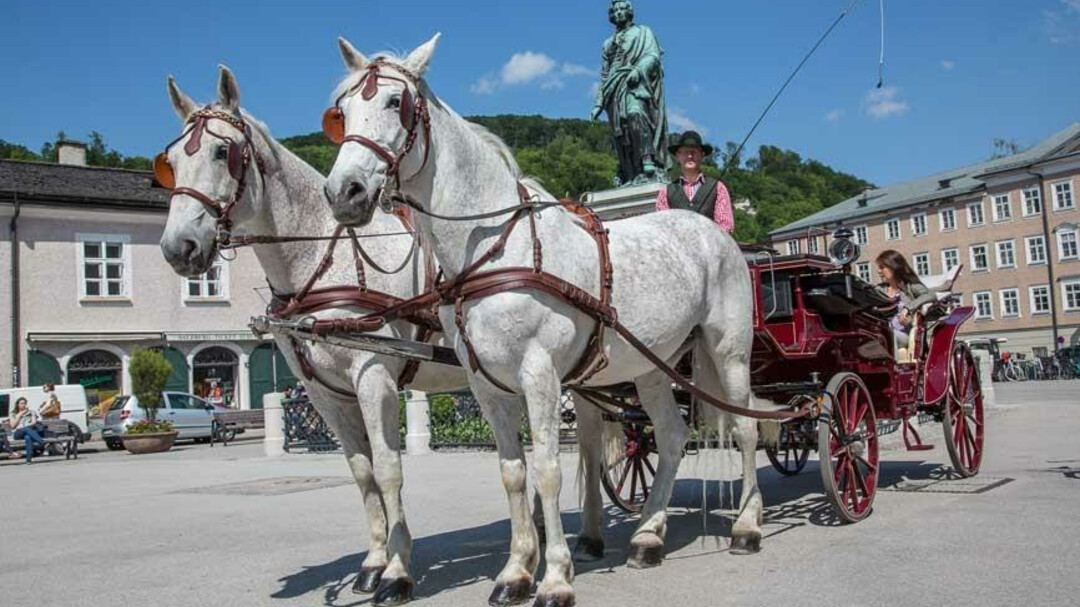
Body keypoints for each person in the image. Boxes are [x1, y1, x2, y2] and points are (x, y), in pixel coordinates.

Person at [591, 0, 669, 185]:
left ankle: (647, 159)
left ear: (629, 12)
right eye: (615, 10)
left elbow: (653, 56)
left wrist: (638, 70)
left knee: (635, 113)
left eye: (622, 9)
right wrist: (598, 103)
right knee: (621, 133)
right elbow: (604, 74)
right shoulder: (607, 43)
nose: (618, 13)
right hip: (613, 89)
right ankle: (631, 171)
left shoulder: (643, 32)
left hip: (636, 83)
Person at [655, 131, 734, 233]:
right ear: (677, 156)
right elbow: (662, 227)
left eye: (694, 152)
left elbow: (725, 226)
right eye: (685, 152)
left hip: (710, 246)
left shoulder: (718, 187)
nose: (690, 156)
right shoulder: (665, 192)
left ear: (702, 155)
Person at [876, 250, 936, 346]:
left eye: (882, 267)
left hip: (904, 334)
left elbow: (931, 295)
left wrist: (908, 308)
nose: (878, 271)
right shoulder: (879, 289)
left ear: (893, 267)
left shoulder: (910, 286)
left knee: (886, 335)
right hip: (882, 330)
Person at [7, 397, 44, 463]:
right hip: (17, 434)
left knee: (28, 437)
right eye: (21, 403)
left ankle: (28, 459)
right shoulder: (13, 414)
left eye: (24, 403)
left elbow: (33, 423)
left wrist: (33, 415)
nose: (23, 405)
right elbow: (13, 426)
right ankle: (41, 441)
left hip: (28, 432)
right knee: (26, 429)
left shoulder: (30, 412)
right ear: (17, 404)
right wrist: (19, 415)